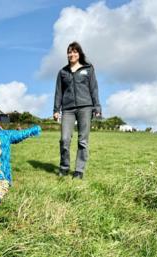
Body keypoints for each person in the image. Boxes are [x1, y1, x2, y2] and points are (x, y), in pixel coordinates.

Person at [53, 41, 101, 179]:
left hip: (85, 107)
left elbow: (94, 88)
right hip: (67, 109)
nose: (71, 54)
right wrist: (56, 109)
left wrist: (97, 107)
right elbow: (58, 92)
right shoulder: (63, 72)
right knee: (64, 139)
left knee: (83, 141)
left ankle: (79, 170)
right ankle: (64, 167)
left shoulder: (88, 69)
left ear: (79, 54)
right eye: (69, 52)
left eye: (74, 51)